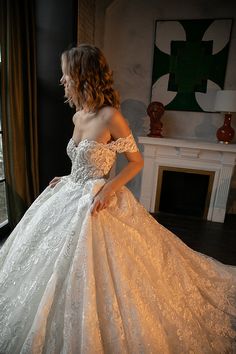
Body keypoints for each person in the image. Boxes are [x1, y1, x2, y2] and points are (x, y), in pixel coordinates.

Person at [0, 44, 235, 354]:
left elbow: (136, 162)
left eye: (66, 74)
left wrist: (108, 189)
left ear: (83, 76)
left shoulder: (111, 116)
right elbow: (80, 163)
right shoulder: (78, 115)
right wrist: (68, 178)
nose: (62, 80)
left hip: (100, 196)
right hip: (72, 192)